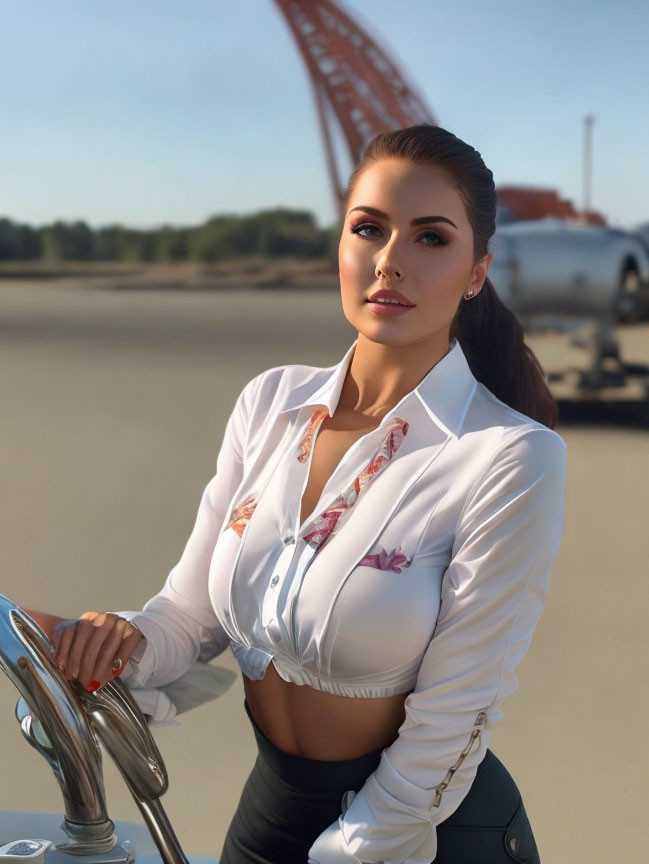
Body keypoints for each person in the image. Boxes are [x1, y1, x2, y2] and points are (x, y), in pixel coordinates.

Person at [25, 124, 567, 864]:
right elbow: (189, 619)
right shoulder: (270, 402)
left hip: (419, 833)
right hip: (271, 819)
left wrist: (354, 848)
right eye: (368, 229)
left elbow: (457, 715)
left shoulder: (511, 456)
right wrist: (113, 639)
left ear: (477, 271)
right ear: (340, 247)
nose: (389, 262)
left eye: (430, 239)